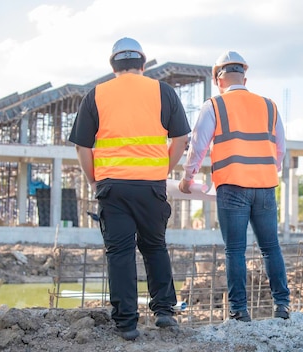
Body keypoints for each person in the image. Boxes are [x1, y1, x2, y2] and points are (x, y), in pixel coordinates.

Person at [69, 37, 190, 340]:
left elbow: (83, 146)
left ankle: (126, 323)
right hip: (151, 185)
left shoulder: (96, 95)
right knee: (154, 246)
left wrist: (93, 179)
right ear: (143, 64)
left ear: (112, 66)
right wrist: (162, 169)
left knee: (119, 252)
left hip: (113, 187)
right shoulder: (163, 92)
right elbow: (181, 140)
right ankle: (163, 311)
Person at [179, 50, 290, 322]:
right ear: (245, 77)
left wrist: (187, 178)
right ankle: (282, 306)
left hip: (232, 187)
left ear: (219, 79)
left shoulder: (213, 106)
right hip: (265, 186)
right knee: (271, 247)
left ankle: (239, 311)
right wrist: (266, 170)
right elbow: (281, 150)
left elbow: (197, 147)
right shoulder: (269, 106)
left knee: (235, 251)